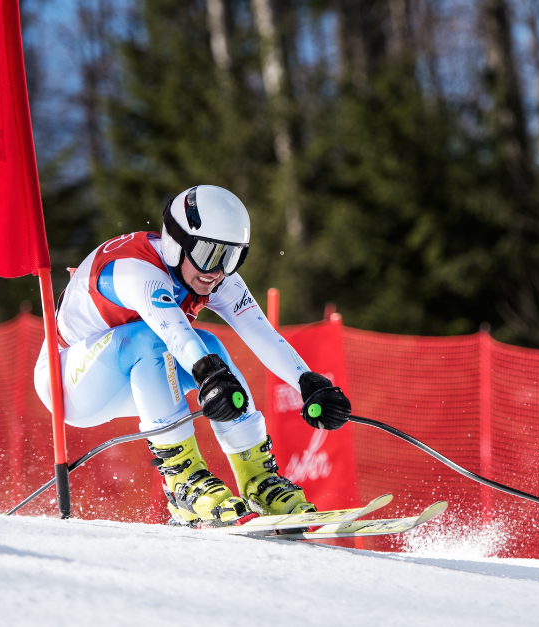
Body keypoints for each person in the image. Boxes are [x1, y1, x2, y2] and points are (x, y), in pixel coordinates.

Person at [33, 185, 352, 527]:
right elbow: (173, 332)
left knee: (210, 346)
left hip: (133, 375)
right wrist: (209, 377)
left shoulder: (209, 274)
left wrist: (309, 383)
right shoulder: (136, 270)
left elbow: (260, 334)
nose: (216, 270)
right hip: (67, 381)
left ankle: (258, 479)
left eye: (230, 258)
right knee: (153, 339)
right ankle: (182, 479)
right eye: (207, 253)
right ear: (176, 243)